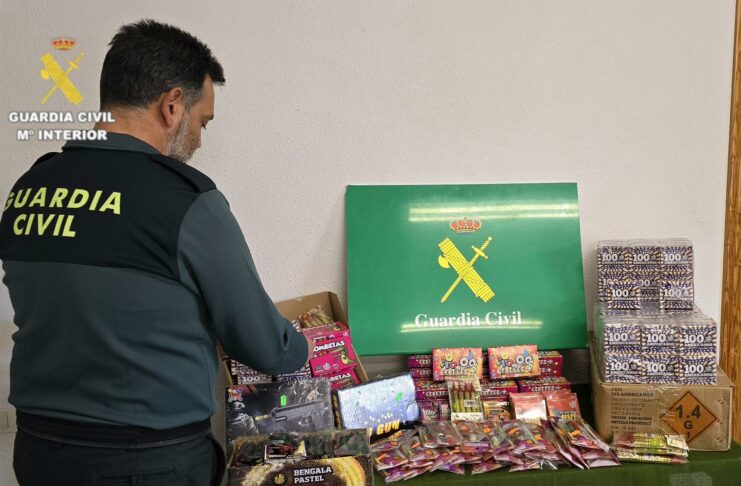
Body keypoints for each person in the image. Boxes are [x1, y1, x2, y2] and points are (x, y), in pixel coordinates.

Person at [0, 19, 313, 486]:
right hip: (149, 460)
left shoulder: (31, 187)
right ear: (172, 105)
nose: (200, 138)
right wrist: (305, 347)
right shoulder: (185, 200)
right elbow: (263, 343)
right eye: (202, 121)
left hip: (40, 452)